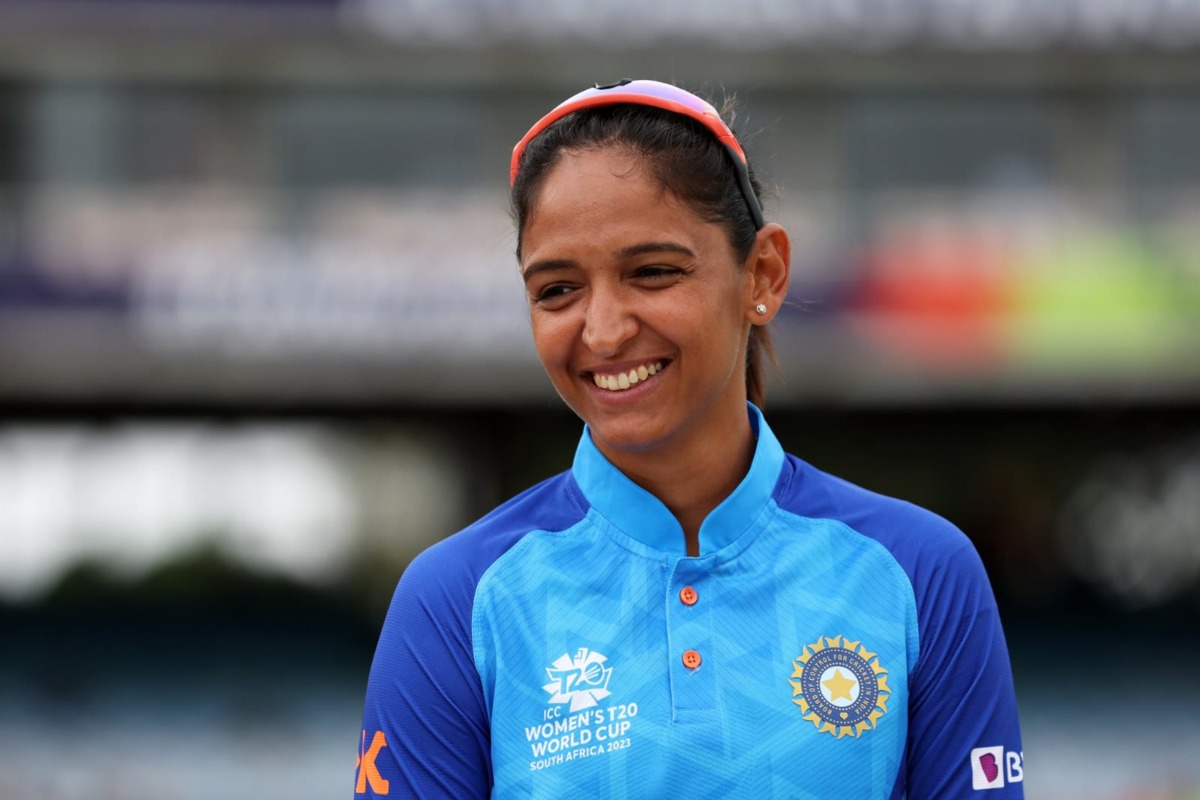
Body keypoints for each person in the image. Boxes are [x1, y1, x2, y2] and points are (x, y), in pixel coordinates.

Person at [355, 79, 1024, 798]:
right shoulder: (455, 601)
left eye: (652, 273)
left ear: (762, 274)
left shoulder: (920, 573)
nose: (603, 331)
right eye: (557, 290)